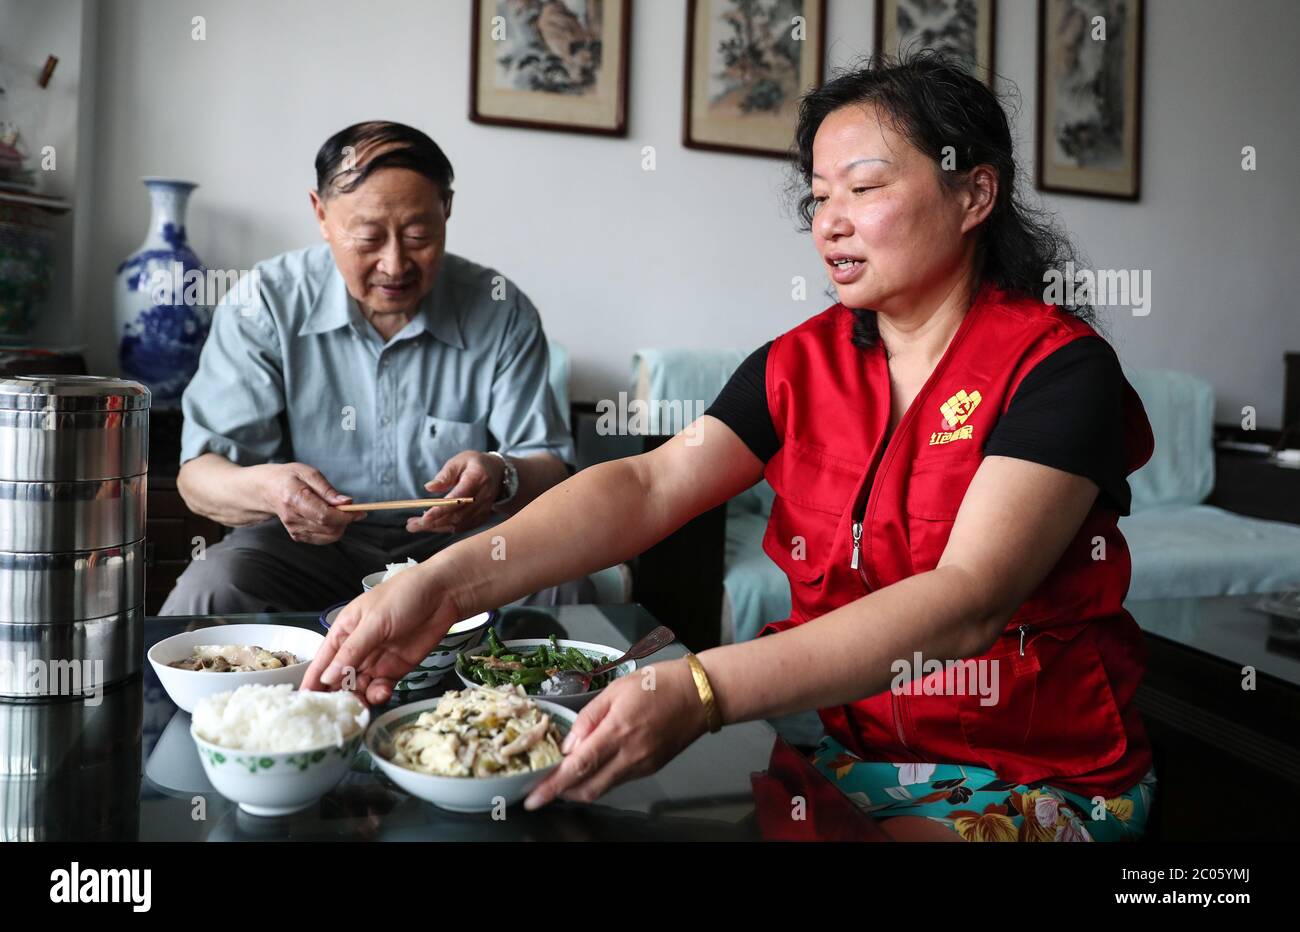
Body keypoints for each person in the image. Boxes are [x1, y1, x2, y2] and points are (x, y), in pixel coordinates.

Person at [304, 56, 1157, 842]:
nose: (831, 224)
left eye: (863, 188)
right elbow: (649, 484)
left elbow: (969, 599)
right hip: (833, 742)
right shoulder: (804, 362)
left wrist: (704, 688)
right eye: (819, 197)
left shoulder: (1057, 370)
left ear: (974, 195)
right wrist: (442, 584)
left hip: (1020, 770)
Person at [161, 121, 588, 615]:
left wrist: (500, 473)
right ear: (320, 214)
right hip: (305, 552)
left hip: (458, 554)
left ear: (446, 210)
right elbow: (199, 477)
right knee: (212, 588)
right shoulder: (265, 304)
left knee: (566, 587)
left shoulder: (501, 310)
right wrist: (272, 490)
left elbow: (553, 468)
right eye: (368, 237)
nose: (394, 264)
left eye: (418, 235)